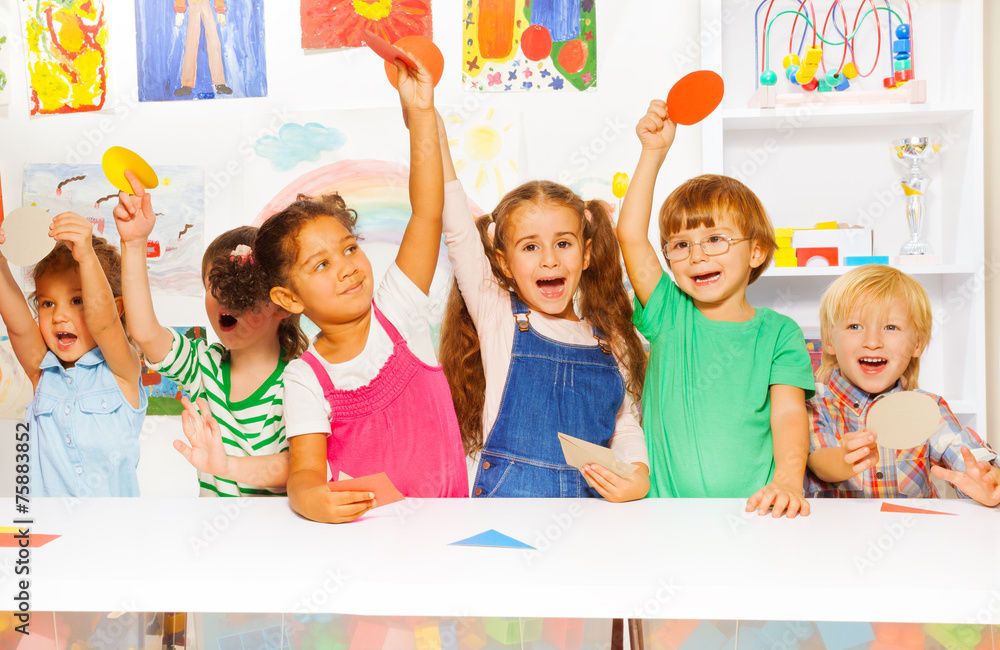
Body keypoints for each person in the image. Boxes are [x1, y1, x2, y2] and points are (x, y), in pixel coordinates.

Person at [257, 53, 467, 524]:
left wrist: (420, 118)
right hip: (368, 551)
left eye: (350, 249)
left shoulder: (399, 311)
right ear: (289, 299)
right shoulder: (305, 378)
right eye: (321, 264)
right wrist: (309, 497)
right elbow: (306, 471)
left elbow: (427, 212)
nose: (347, 268)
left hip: (451, 536)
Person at [616, 100, 815, 517]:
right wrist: (653, 153)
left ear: (757, 251)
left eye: (716, 240)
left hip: (756, 514)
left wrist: (788, 482)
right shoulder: (670, 313)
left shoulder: (779, 333)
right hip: (663, 515)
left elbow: (788, 414)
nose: (697, 255)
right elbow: (630, 235)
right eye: (681, 245)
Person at [439, 122, 649, 501]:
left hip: (589, 517)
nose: (549, 260)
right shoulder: (498, 316)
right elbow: (457, 231)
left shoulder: (608, 338)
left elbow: (624, 424)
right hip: (507, 513)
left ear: (585, 254)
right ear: (503, 263)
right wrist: (429, 126)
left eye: (563, 243)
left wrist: (637, 474)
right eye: (530, 247)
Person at [114, 175, 306, 496]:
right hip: (212, 532)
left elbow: (302, 467)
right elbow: (145, 332)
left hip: (276, 537)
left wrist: (227, 467)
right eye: (212, 285)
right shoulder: (204, 366)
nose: (224, 296)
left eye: (241, 287)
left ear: (282, 304)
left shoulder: (300, 379)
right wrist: (133, 244)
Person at [806, 265, 1000, 505]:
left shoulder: (928, 407)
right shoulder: (815, 402)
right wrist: (845, 458)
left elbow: (962, 451)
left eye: (890, 327)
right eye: (855, 326)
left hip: (915, 539)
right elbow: (817, 460)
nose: (873, 342)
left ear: (916, 344)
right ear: (829, 342)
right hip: (835, 539)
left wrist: (986, 478)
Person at [0, 214, 145, 496]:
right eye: (47, 303)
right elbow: (17, 327)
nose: (59, 316)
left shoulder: (122, 372)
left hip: (113, 530)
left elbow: (104, 324)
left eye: (77, 300)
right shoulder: (42, 372)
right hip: (48, 530)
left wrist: (87, 257)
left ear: (117, 308)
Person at [174, 0, 231, 96]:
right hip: (192, 4)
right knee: (191, 43)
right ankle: (187, 85)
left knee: (214, 42)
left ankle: (220, 83)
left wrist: (220, 10)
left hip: (206, 4)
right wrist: (179, 10)